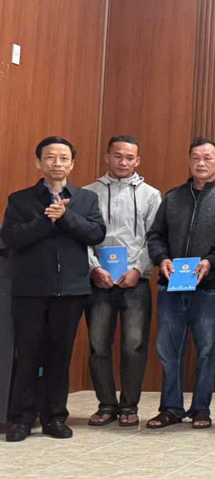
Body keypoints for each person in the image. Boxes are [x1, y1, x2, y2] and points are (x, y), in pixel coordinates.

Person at [3, 137, 106, 441]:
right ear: (38, 163)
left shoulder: (86, 199)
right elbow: (12, 238)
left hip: (71, 290)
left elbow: (96, 233)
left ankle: (55, 417)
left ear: (72, 164)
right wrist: (47, 220)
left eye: (63, 159)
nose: (57, 164)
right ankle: (21, 418)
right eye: (50, 158)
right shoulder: (19, 199)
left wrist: (66, 217)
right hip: (30, 290)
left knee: (59, 356)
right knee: (28, 354)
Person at [145, 137, 215, 430]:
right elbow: (155, 236)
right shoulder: (172, 197)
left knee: (207, 349)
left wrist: (212, 260)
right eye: (196, 158)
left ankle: (201, 408)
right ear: (189, 161)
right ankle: (171, 407)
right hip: (171, 287)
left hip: (208, 288)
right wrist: (161, 258)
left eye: (208, 158)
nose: (201, 163)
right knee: (168, 349)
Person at [83, 135, 162, 428]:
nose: (123, 162)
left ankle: (129, 405)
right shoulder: (88, 194)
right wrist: (94, 269)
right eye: (118, 156)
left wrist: (138, 269)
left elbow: (154, 238)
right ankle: (106, 404)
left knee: (134, 345)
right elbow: (82, 239)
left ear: (137, 161)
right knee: (98, 344)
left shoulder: (151, 195)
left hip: (135, 281)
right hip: (99, 281)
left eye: (130, 157)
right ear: (107, 157)